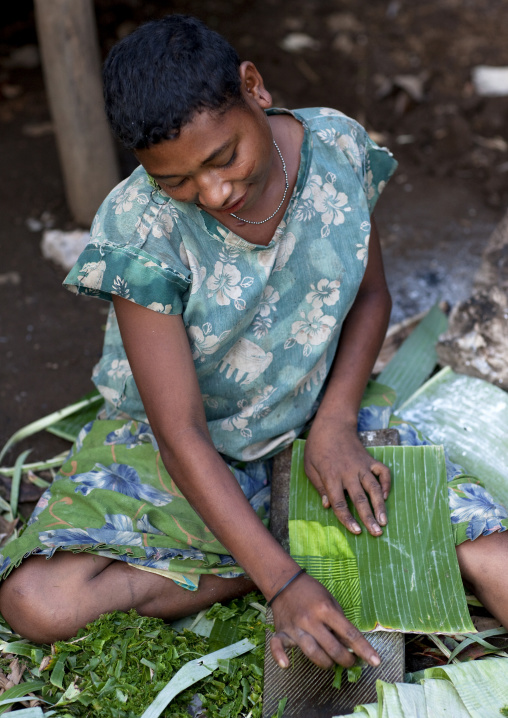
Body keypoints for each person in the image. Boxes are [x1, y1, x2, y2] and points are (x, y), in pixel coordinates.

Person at [1, 14, 507, 673]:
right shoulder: (139, 228)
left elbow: (372, 296)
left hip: (317, 413)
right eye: (176, 180)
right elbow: (179, 434)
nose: (212, 193)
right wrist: (285, 584)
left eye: (222, 158)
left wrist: (334, 422)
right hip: (190, 449)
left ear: (254, 88)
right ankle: (290, 551)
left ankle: (282, 540)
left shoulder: (336, 150)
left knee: (495, 557)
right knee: (38, 601)